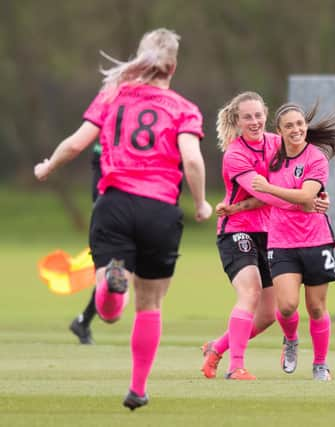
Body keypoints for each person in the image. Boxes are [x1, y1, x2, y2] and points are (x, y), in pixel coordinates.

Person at [34, 28, 212, 410]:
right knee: (150, 306)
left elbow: (77, 143)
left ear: (140, 59)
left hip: (113, 204)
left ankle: (112, 288)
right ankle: (137, 388)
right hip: (160, 210)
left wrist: (48, 166)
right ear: (173, 66)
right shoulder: (183, 108)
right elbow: (193, 160)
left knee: (113, 309)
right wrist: (200, 204)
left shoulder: (112, 96)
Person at [201, 92, 329, 380]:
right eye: (247, 117)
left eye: (258, 115)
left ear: (266, 115)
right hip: (237, 230)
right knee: (250, 292)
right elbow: (264, 194)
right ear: (237, 120)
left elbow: (298, 178)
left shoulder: (277, 142)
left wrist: (318, 194)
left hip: (274, 232)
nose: (255, 121)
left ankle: (216, 348)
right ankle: (236, 367)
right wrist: (306, 201)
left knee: (270, 314)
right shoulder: (235, 154)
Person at [250, 101, 335, 381]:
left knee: (316, 307)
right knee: (286, 306)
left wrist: (271, 189)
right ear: (278, 131)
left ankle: (320, 364)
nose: (296, 129)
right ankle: (291, 340)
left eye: (300, 124)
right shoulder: (270, 155)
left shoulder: (315, 158)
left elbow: (307, 197)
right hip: (281, 241)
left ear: (306, 127)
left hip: (316, 240)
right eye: (289, 125)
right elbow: (264, 191)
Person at [69, 142, 102, 345]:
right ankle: (83, 321)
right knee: (114, 279)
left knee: (117, 279)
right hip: (110, 224)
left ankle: (83, 321)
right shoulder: (105, 154)